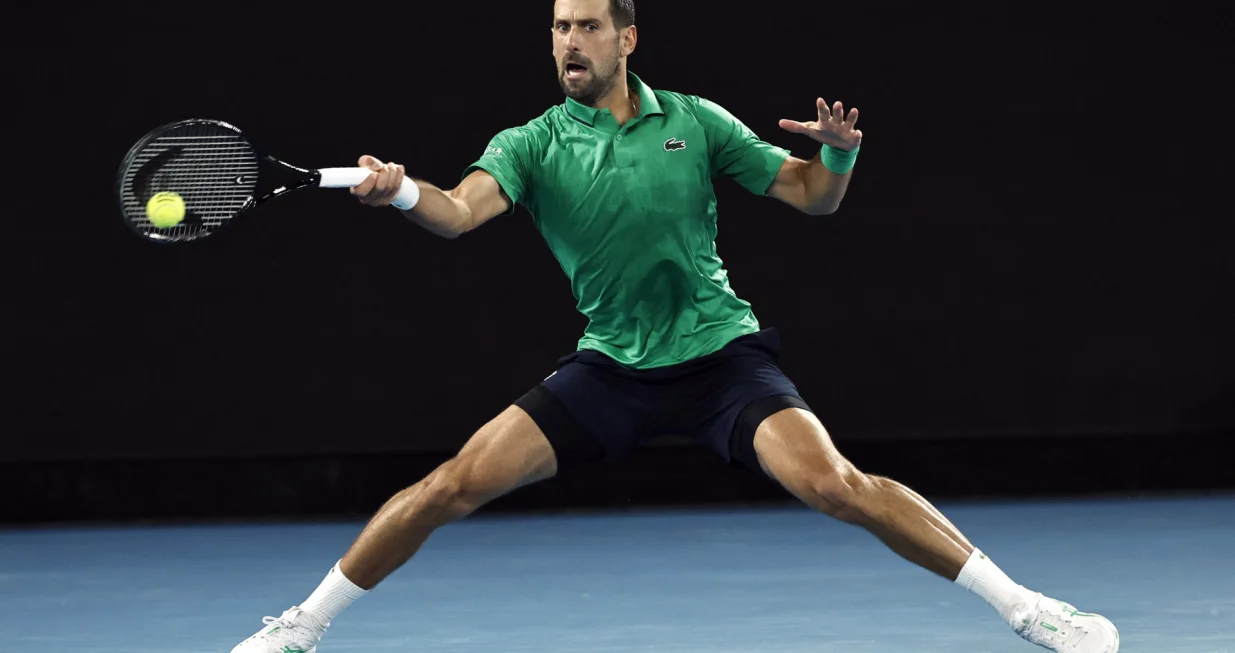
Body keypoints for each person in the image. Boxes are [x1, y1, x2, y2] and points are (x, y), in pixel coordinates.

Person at [231, 1, 1120, 651]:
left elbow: (810, 197)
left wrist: (838, 155)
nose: (567, 43)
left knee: (839, 485)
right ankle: (302, 626)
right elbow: (458, 212)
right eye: (556, 29)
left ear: (626, 37)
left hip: (719, 358)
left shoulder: (693, 121)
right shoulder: (530, 142)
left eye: (584, 27)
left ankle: (1028, 608)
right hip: (611, 369)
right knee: (447, 486)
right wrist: (400, 194)